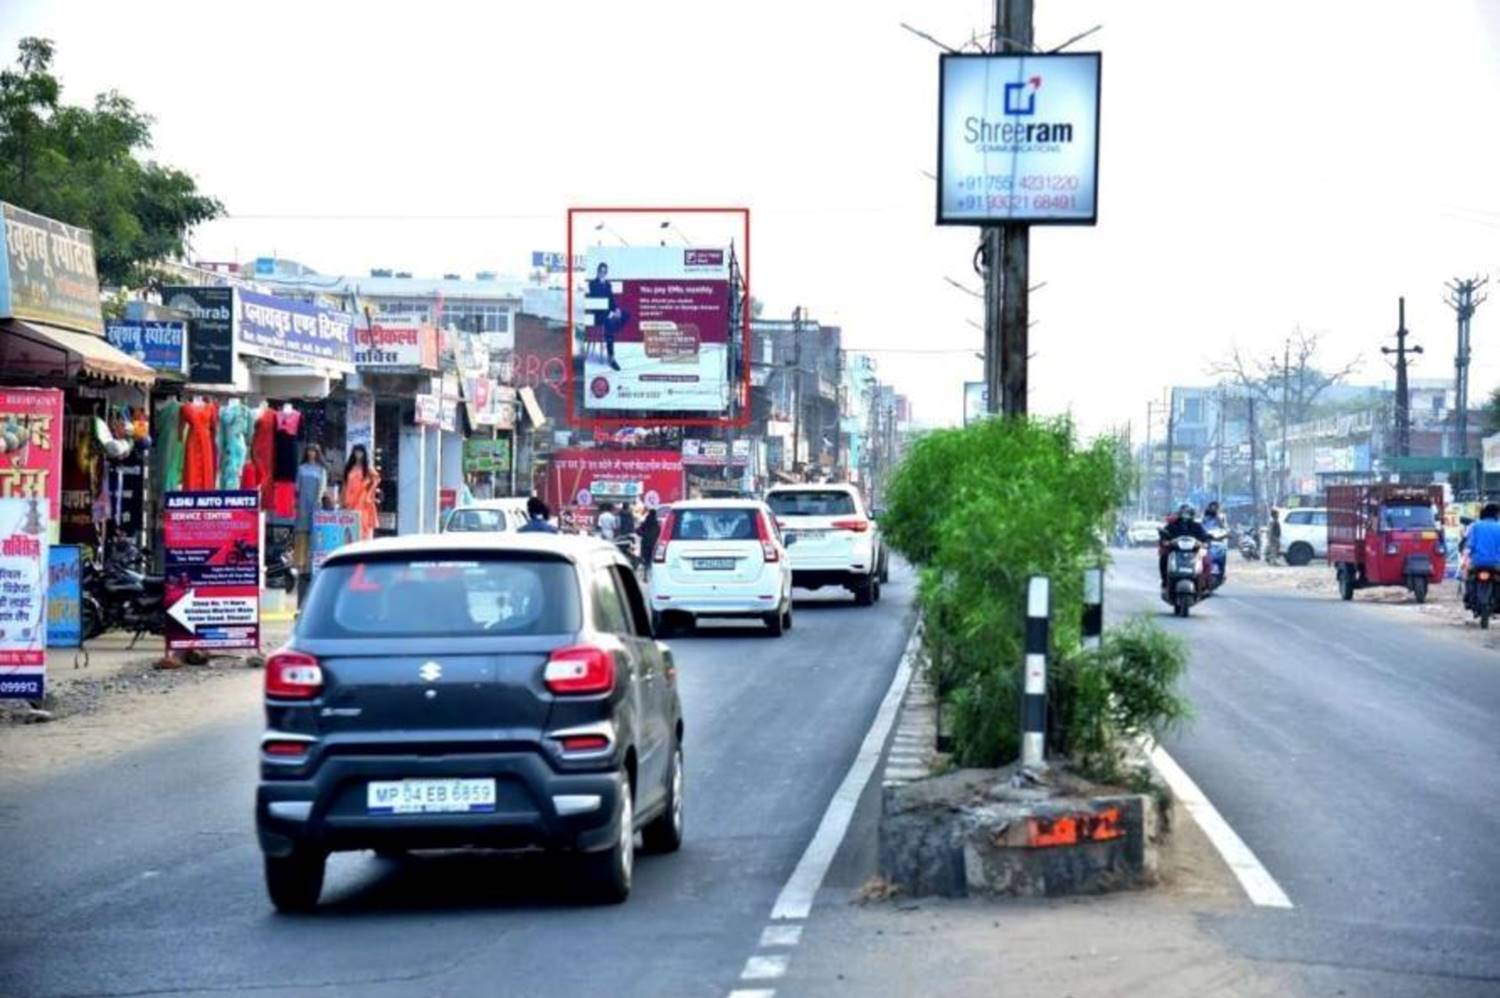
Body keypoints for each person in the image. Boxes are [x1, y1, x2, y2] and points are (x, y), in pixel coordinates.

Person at [293, 444, 327, 578]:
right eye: (309, 451)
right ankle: (300, 564)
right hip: (302, 504)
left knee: (315, 534)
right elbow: (297, 488)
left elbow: (323, 488)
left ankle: (313, 564)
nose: (311, 453)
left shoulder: (321, 470)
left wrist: (318, 500)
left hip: (316, 504)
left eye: (313, 451)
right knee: (301, 533)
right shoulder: (301, 469)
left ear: (317, 453)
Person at [586, 262, 628, 371]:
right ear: (597, 271)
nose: (602, 273)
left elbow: (611, 300)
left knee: (626, 314)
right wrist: (611, 313)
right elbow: (598, 300)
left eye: (604, 272)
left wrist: (616, 309)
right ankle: (611, 358)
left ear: (606, 273)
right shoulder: (593, 284)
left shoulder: (608, 285)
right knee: (609, 323)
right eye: (601, 271)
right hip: (598, 315)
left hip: (607, 313)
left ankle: (610, 332)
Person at [1160, 503, 1211, 591]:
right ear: (1179, 513)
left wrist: (1205, 543)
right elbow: (1164, 536)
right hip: (1175, 551)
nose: (1185, 515)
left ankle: (1204, 583)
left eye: (1188, 513)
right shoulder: (1172, 526)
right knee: (1164, 557)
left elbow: (1205, 537)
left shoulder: (1197, 526)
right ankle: (1165, 581)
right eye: (1183, 513)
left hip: (1194, 552)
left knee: (1207, 560)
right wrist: (1166, 542)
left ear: (1192, 514)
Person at [1462, 503, 1500, 607]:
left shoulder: (1476, 526)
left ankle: (1468, 596)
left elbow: (1469, 545)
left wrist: (1465, 561)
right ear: (1496, 514)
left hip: (1477, 563)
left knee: (1468, 577)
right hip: (1496, 564)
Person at [342, 444, 379, 541]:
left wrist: (369, 494)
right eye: (356, 452)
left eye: (360, 452)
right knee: (350, 525)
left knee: (363, 523)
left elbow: (376, 480)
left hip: (362, 499)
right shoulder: (350, 467)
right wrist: (343, 499)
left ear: (364, 454)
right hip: (350, 498)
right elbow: (345, 484)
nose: (358, 454)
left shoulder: (367, 468)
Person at [638, 507, 661, 578]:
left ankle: (645, 574)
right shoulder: (657, 523)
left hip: (645, 542)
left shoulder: (645, 522)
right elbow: (659, 533)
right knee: (651, 558)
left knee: (645, 558)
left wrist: (643, 535)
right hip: (653, 542)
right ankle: (650, 573)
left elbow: (638, 530)